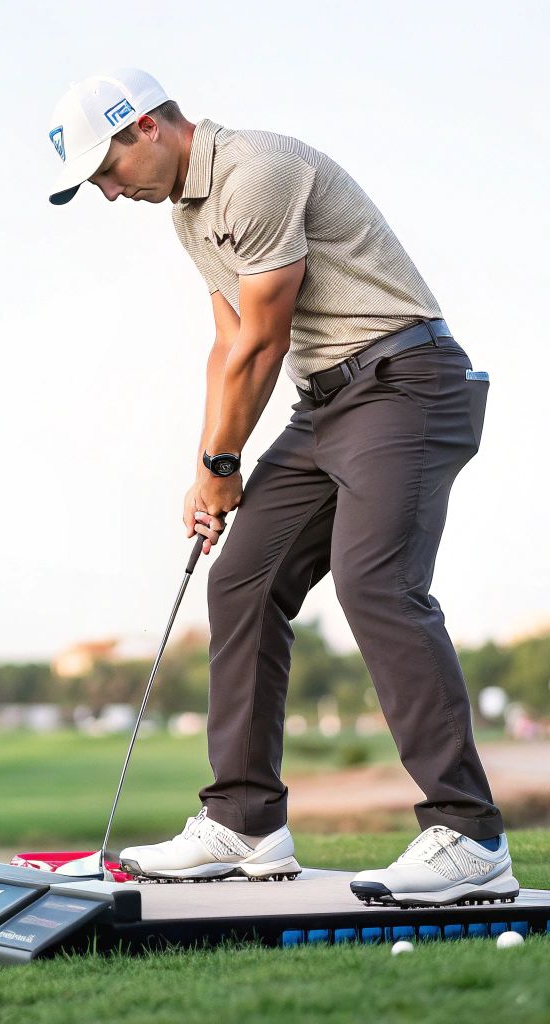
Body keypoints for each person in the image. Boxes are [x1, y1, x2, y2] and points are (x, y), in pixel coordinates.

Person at [46, 69, 512, 907]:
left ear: (146, 125)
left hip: (407, 381)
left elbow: (263, 339)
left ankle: (470, 837)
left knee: (378, 584)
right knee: (244, 580)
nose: (110, 194)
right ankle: (245, 823)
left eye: (107, 171)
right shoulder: (190, 216)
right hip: (328, 403)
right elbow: (229, 346)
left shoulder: (255, 170)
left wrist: (224, 469)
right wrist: (205, 470)